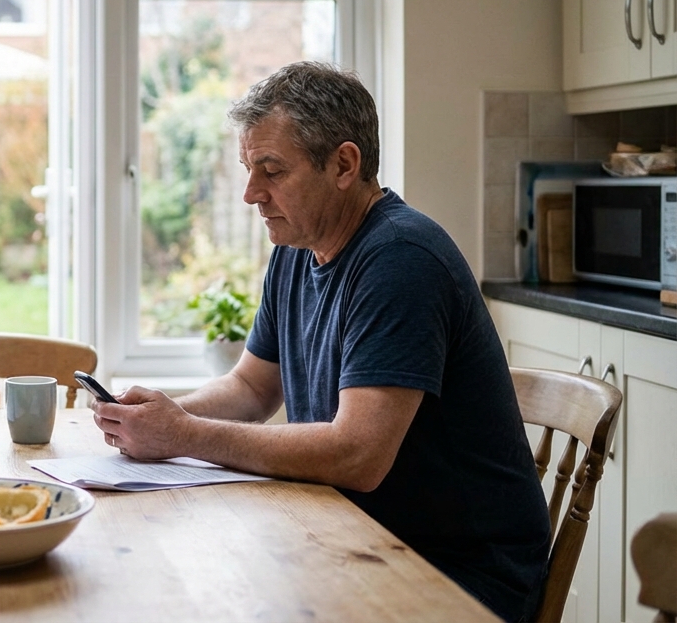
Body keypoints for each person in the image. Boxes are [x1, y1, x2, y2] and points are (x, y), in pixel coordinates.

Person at [92, 62, 551, 622]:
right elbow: (251, 387)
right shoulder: (295, 248)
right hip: (355, 538)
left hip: (459, 577)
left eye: (272, 171)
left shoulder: (402, 259)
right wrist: (155, 419)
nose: (250, 194)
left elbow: (358, 454)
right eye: (247, 168)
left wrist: (183, 433)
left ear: (343, 164)